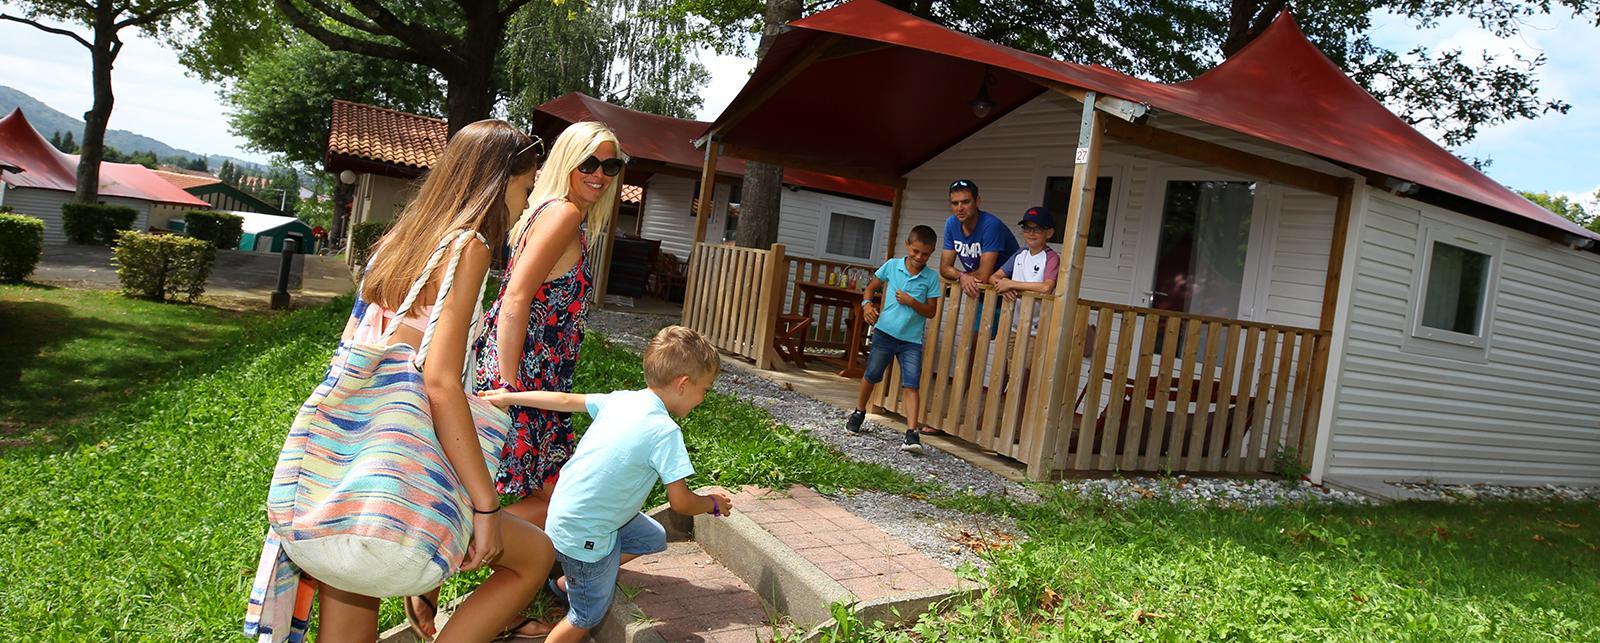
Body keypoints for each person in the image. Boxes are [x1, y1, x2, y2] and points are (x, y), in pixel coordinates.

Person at [302, 119, 556, 642]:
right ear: (499, 181)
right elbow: (439, 382)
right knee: (534, 558)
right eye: (526, 189)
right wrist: (484, 506)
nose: (525, 204)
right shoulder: (468, 247)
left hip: (350, 467)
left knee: (351, 598)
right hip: (405, 468)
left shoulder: (402, 238)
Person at [478, 325, 734, 643]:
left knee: (652, 536)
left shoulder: (622, 400)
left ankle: (569, 583)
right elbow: (681, 503)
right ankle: (581, 583)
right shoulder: (665, 432)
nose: (703, 398)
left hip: (565, 509)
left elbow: (562, 399)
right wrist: (711, 502)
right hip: (585, 531)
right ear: (683, 384)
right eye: (705, 390)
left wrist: (509, 397)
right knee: (588, 615)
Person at [474, 121, 628, 528]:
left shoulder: (553, 212)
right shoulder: (563, 213)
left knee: (553, 490)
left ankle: (523, 566)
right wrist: (509, 388)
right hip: (524, 374)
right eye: (588, 163)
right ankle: (457, 543)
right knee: (558, 499)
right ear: (567, 162)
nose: (599, 174)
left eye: (609, 167)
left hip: (539, 377)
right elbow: (516, 299)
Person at [844, 225, 942, 454]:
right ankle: (859, 412)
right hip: (885, 333)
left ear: (932, 253)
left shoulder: (931, 278)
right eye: (915, 251)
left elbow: (931, 312)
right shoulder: (892, 266)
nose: (919, 257)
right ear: (907, 245)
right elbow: (869, 288)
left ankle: (911, 433)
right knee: (872, 374)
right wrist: (867, 304)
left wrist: (911, 301)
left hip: (911, 341)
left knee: (911, 382)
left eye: (925, 254)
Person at [934, 179, 1018, 434]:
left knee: (1006, 361)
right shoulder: (952, 225)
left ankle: (989, 417)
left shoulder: (990, 225)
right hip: (980, 299)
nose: (960, 208)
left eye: (966, 202)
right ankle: (956, 414)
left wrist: (966, 275)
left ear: (977, 202)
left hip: (1008, 299)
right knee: (969, 352)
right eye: (955, 203)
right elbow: (945, 268)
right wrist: (962, 276)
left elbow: (984, 273)